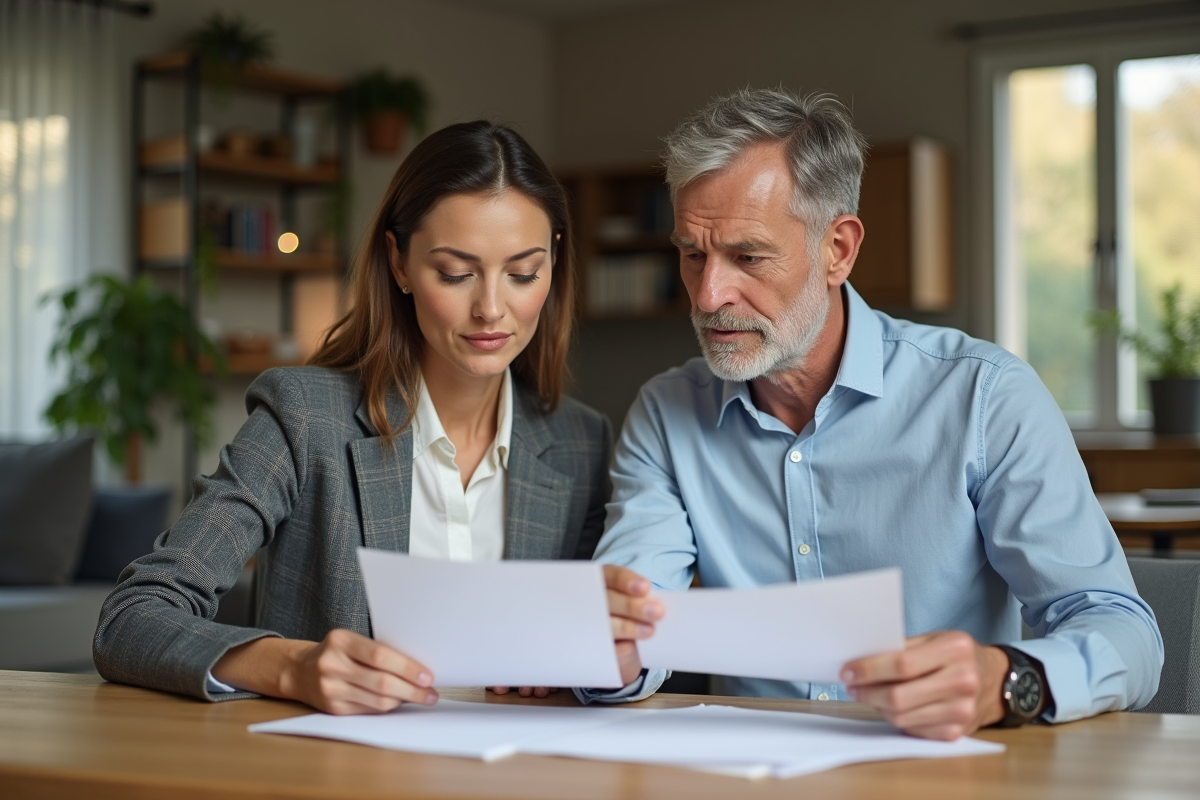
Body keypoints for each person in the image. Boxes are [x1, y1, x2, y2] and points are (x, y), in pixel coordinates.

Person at [586, 89, 1163, 740]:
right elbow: (629, 623)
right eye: (693, 254)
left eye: (747, 256)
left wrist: (1005, 682)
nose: (710, 294)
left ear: (838, 249)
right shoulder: (666, 414)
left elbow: (1126, 634)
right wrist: (611, 655)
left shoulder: (984, 397)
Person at [94, 121, 612, 715]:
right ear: (399, 263)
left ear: (555, 262)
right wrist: (293, 666)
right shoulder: (304, 418)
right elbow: (132, 619)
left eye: (524, 273)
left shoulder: (581, 441)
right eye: (454, 272)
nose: (492, 307)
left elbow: (603, 649)